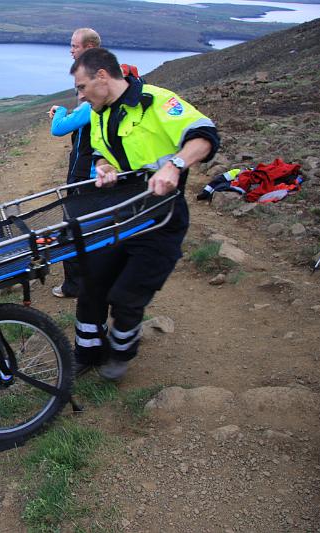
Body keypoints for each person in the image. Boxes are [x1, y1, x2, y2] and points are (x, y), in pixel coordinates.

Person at [69, 48, 219, 381]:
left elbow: (205, 135)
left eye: (82, 87)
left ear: (103, 77)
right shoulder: (98, 111)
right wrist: (103, 167)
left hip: (160, 216)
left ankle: (121, 353)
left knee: (128, 294)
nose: (79, 95)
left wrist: (175, 165)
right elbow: (99, 151)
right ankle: (86, 351)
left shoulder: (156, 100)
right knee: (92, 284)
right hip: (120, 210)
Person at [48, 28, 101, 299]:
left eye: (74, 46)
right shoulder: (106, 76)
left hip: (85, 168)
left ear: (89, 46)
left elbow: (60, 128)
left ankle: (74, 285)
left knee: (73, 224)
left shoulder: (95, 88)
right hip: (93, 165)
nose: (71, 50)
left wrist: (59, 112)